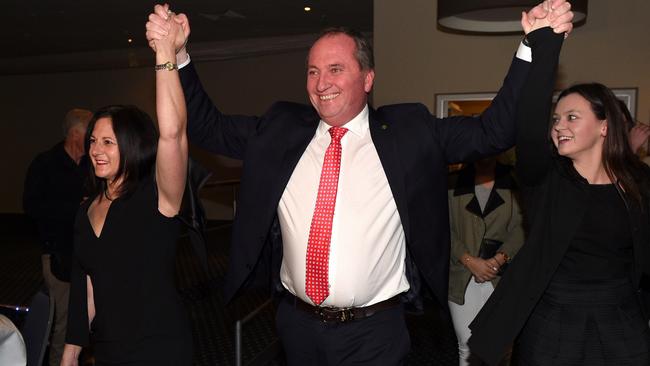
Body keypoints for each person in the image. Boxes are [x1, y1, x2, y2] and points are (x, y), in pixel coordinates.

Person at [145, 1, 573, 364]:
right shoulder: (280, 129)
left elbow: (493, 132)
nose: (321, 83)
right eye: (313, 71)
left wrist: (532, 46)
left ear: (367, 79)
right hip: (296, 324)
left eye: (335, 69)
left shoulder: (410, 133)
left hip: (375, 332)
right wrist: (178, 56)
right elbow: (206, 126)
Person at [468, 35, 650, 366]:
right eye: (556, 119)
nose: (559, 127)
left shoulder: (637, 183)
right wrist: (546, 41)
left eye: (572, 117)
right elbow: (529, 119)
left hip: (622, 320)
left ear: (604, 127)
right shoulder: (546, 180)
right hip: (554, 320)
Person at [60, 14, 192, 366]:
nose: (95, 150)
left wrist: (164, 52)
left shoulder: (158, 197)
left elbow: (173, 133)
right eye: (92, 141)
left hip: (159, 349)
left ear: (132, 145)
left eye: (107, 142)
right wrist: (71, 352)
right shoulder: (86, 210)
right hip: (108, 350)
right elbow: (86, 283)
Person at [23, 107, 92, 366]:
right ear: (76, 134)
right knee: (64, 323)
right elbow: (32, 207)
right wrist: (77, 207)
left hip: (89, 256)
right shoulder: (45, 164)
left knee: (88, 320)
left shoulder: (91, 165)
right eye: (90, 135)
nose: (94, 141)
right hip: (59, 256)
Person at [447, 156, 524, 366]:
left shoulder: (514, 179)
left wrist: (499, 259)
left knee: (502, 348)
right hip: (462, 275)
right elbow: (444, 229)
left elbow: (523, 225)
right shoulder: (452, 181)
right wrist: (469, 260)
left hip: (503, 277)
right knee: (467, 347)